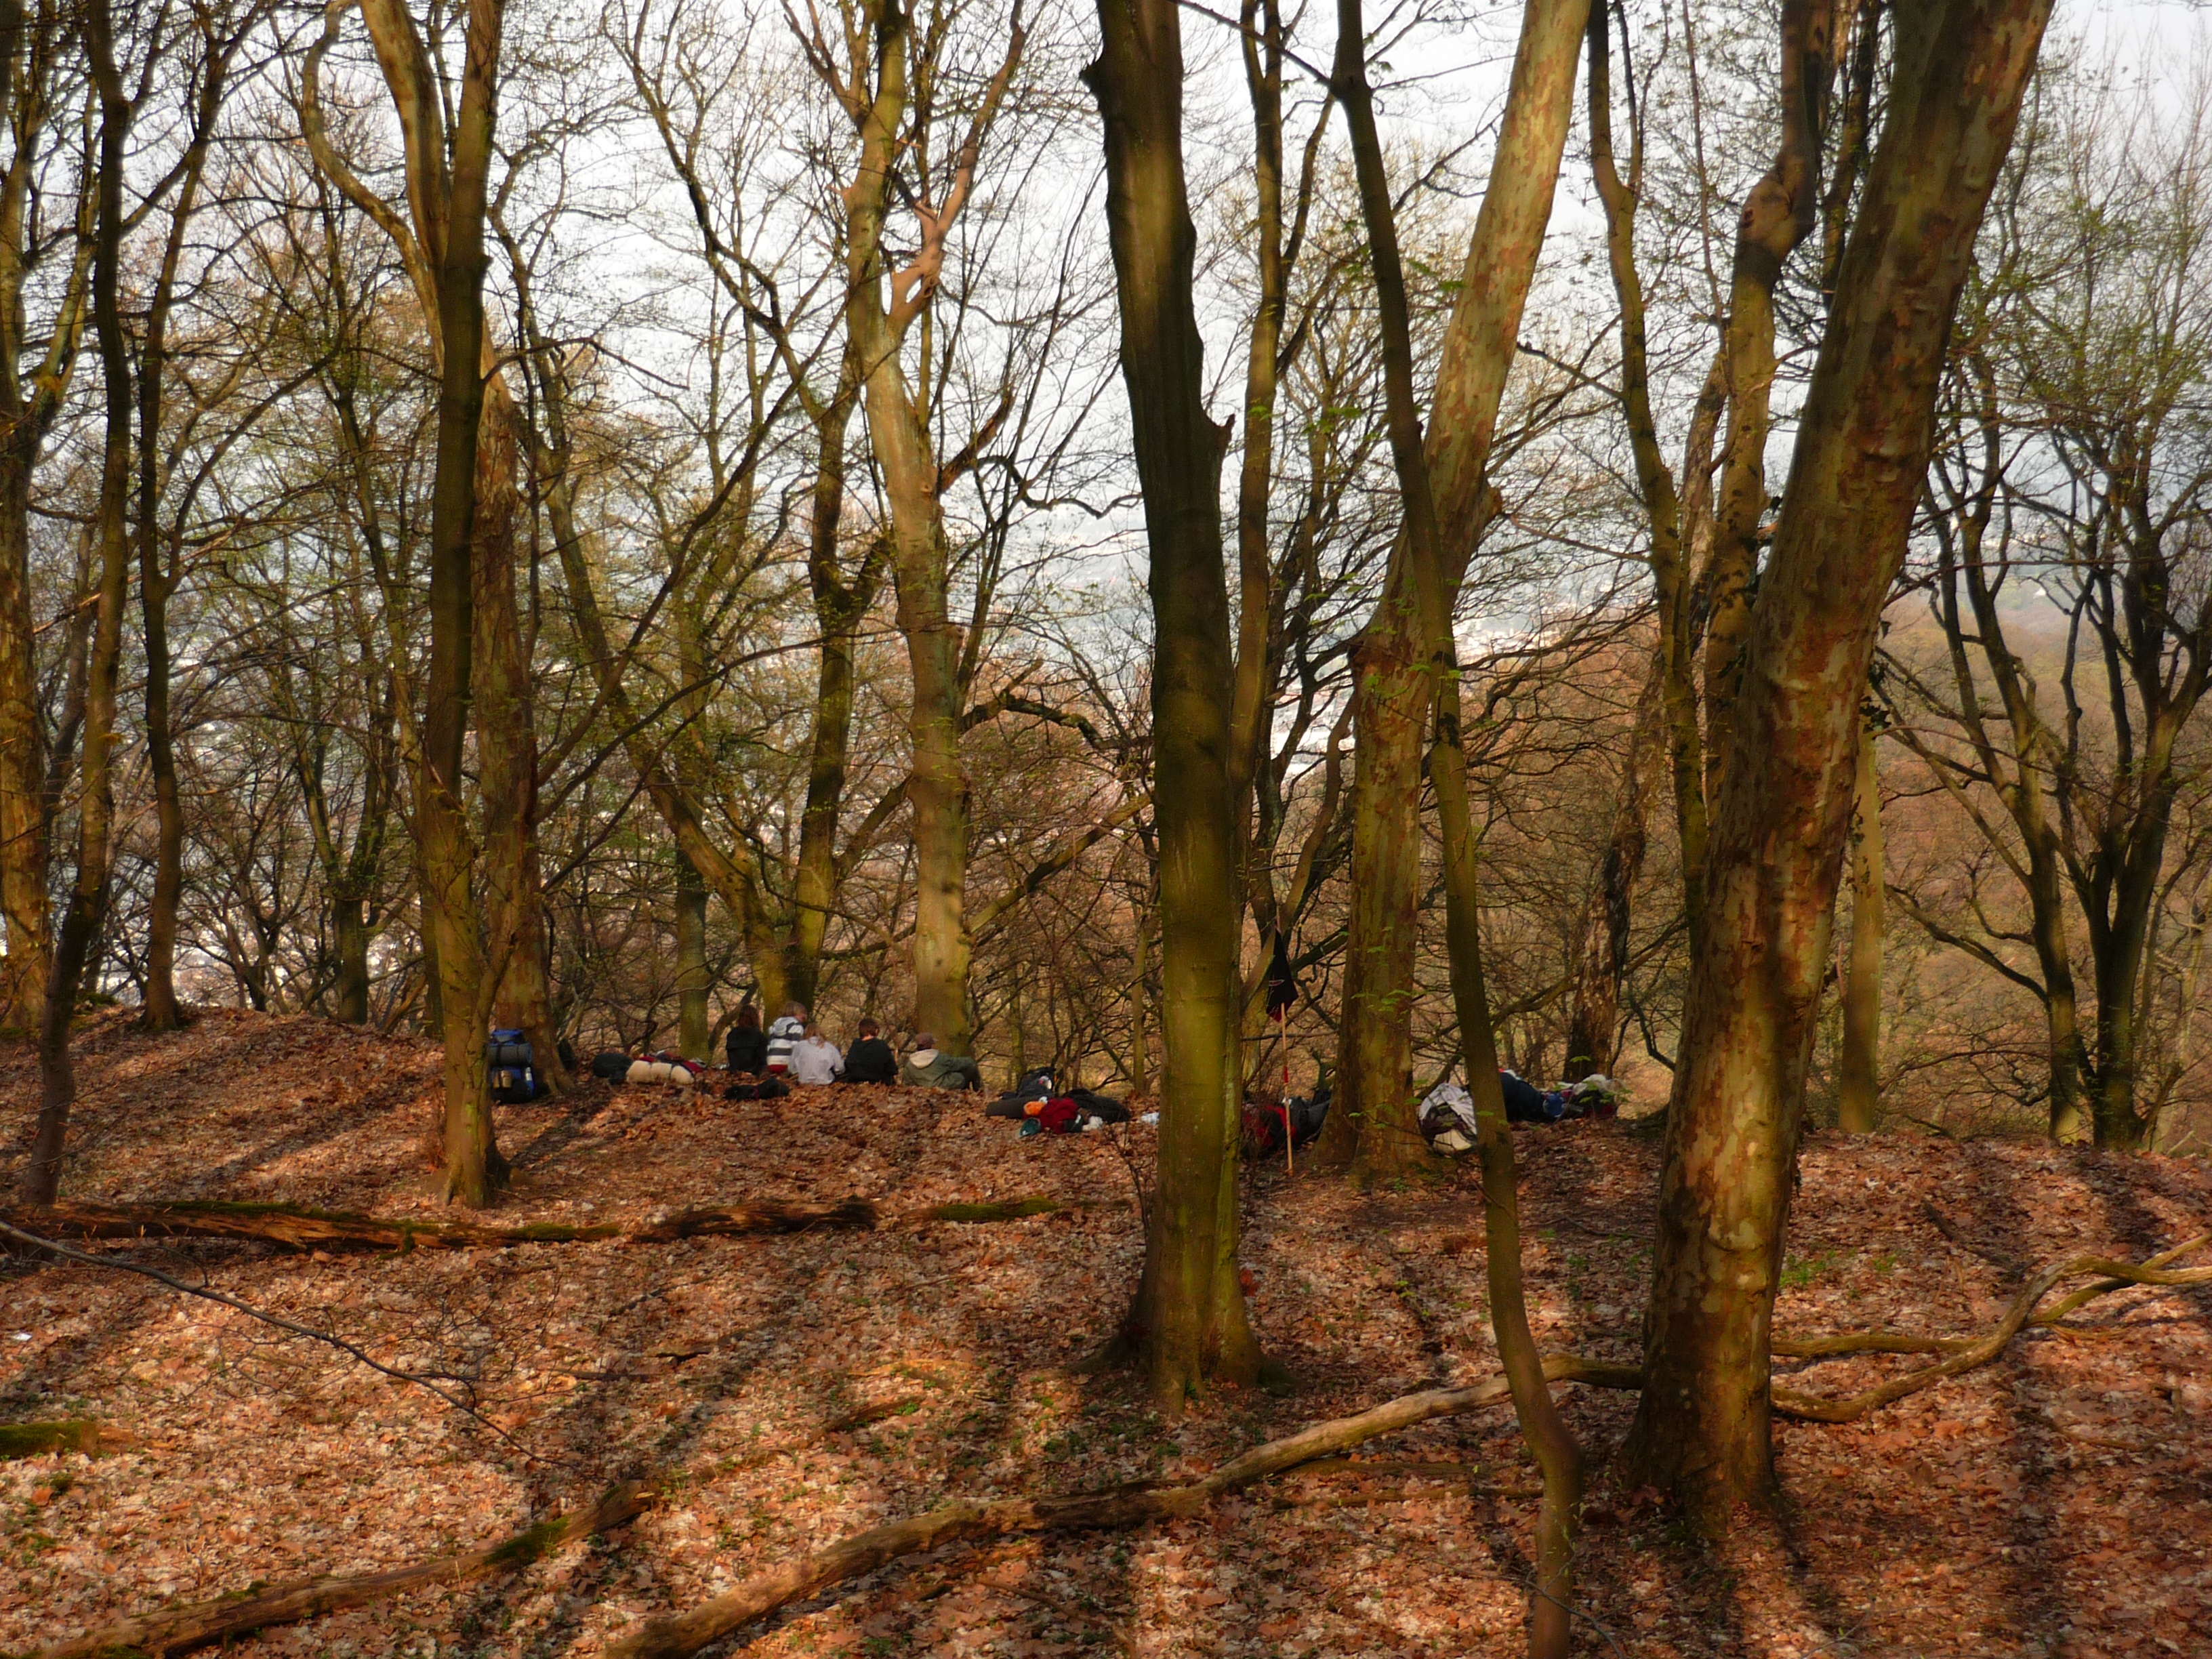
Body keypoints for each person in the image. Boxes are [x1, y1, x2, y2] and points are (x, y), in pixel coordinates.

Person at [899, 1031, 983, 1090]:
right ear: (932, 1045)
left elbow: (908, 1084)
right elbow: (966, 1063)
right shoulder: (940, 1059)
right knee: (970, 1067)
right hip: (945, 1088)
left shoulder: (910, 1065)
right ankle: (979, 1092)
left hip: (924, 1092)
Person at [842, 1018, 898, 1084]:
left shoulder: (855, 1045)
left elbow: (848, 1066)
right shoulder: (881, 1045)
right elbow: (892, 1069)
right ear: (876, 1031)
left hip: (856, 1083)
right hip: (878, 1084)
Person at [790, 1022, 843, 1086]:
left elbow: (792, 1067)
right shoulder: (829, 1047)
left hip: (804, 1082)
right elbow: (840, 1067)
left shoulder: (799, 1046)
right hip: (825, 1082)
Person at [726, 1002, 768, 1076]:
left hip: (735, 1072)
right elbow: (763, 1059)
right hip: (753, 1073)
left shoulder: (732, 1034)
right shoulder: (759, 1036)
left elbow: (731, 1057)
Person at [765, 1002, 805, 1077]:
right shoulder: (797, 1026)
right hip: (786, 1064)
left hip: (771, 1062)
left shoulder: (774, 1026)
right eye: (802, 1013)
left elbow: (769, 1046)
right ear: (795, 1012)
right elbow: (795, 1046)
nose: (804, 1016)